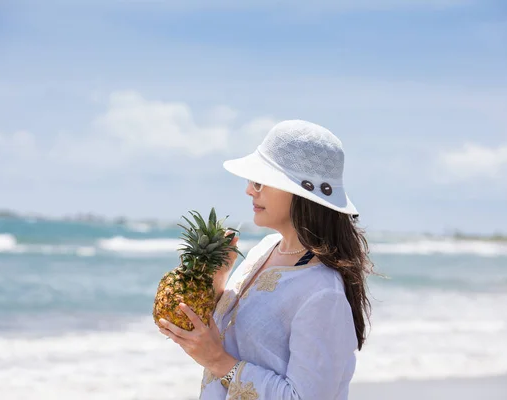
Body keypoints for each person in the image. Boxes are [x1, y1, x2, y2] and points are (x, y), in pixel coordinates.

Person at [158, 120, 374, 399]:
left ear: (300, 192)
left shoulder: (323, 293)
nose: (250, 189)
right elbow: (236, 335)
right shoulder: (266, 248)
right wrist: (218, 279)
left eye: (260, 181)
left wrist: (216, 361)